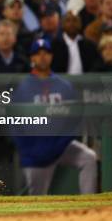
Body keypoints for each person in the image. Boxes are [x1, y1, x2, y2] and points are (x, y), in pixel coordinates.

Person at [12, 39, 97, 195]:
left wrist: (61, 143)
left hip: (60, 147)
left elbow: (75, 118)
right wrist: (29, 151)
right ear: (32, 58)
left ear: (51, 56)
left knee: (88, 158)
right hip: (36, 153)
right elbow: (14, 123)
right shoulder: (22, 87)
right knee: (37, 201)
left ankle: (89, 204)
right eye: (38, 54)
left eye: (46, 53)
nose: (42, 57)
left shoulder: (64, 85)